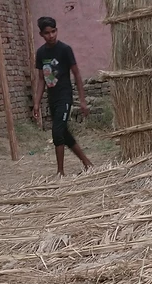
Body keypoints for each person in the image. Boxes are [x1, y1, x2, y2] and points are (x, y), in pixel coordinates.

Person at [33, 16, 93, 176]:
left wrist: (82, 100)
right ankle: (87, 163)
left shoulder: (65, 50)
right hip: (52, 98)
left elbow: (77, 74)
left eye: (53, 31)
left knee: (57, 131)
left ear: (56, 30)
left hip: (65, 96)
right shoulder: (40, 53)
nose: (51, 35)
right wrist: (37, 103)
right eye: (47, 33)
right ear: (41, 35)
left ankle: (60, 172)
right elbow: (41, 80)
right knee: (64, 133)